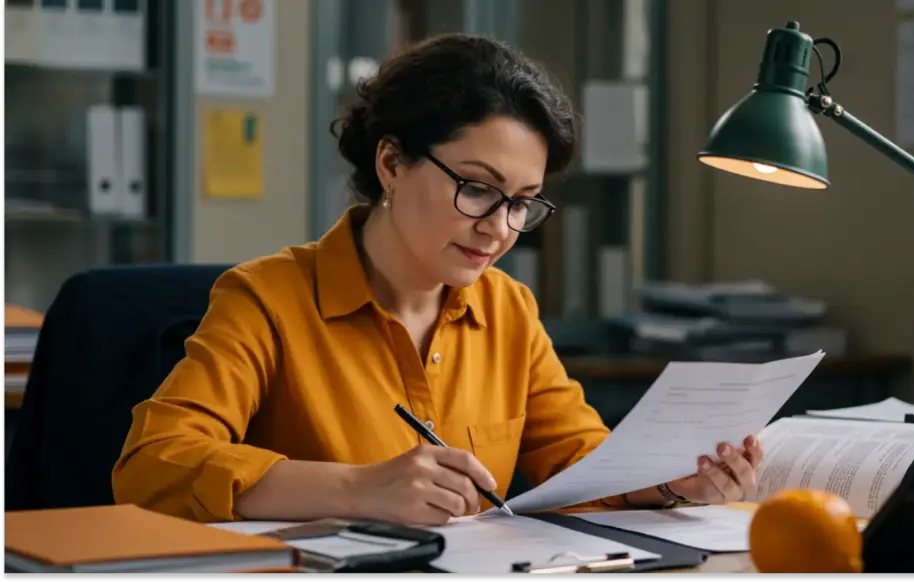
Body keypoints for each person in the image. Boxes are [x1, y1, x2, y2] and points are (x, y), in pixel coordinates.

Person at [112, 33, 764, 526]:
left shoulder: (508, 309)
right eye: (478, 189)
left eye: (522, 201)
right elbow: (152, 465)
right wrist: (356, 488)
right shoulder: (266, 298)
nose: (500, 228)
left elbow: (578, 465)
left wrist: (675, 481)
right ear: (392, 163)